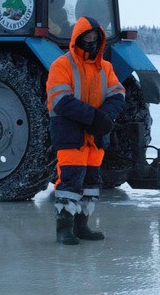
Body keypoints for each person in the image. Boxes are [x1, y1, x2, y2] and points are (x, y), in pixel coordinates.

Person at [46, 16, 126, 244]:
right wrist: (94, 117)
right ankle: (63, 229)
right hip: (70, 133)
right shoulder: (62, 65)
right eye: (87, 38)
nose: (91, 42)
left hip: (95, 136)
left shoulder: (106, 68)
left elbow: (117, 94)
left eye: (95, 38)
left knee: (91, 182)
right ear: (77, 40)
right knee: (70, 181)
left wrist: (105, 117)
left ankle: (82, 226)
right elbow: (60, 100)